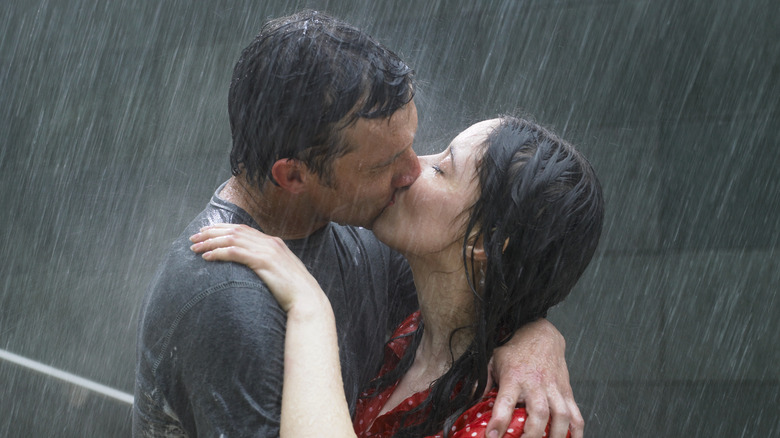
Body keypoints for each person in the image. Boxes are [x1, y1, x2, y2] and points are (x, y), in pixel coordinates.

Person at [135, 9, 582, 438]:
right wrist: (312, 312)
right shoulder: (230, 305)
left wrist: (535, 335)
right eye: (384, 163)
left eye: (414, 146)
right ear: (293, 175)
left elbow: (484, 288)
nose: (411, 172)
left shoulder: (362, 231)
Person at [191, 117, 604, 438]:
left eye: (442, 168)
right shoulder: (408, 330)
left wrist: (309, 308)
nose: (410, 168)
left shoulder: (515, 421)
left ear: (486, 242)